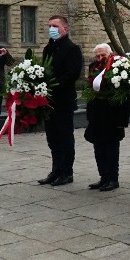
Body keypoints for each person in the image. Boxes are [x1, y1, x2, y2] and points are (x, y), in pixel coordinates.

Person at [38, 16, 83, 186]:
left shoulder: (72, 48)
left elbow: (72, 74)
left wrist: (53, 84)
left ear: (65, 28)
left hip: (63, 100)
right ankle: (55, 170)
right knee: (52, 138)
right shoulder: (48, 48)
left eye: (55, 26)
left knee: (64, 137)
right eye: (49, 26)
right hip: (48, 101)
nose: (51, 29)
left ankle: (66, 172)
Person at [84, 43, 130, 192]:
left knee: (111, 148)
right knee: (98, 147)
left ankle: (113, 178)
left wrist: (122, 120)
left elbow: (125, 95)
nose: (99, 58)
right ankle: (103, 177)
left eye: (102, 55)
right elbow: (90, 89)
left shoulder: (118, 66)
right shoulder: (93, 67)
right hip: (97, 114)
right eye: (97, 56)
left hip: (113, 114)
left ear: (110, 54)